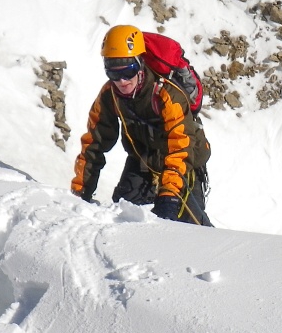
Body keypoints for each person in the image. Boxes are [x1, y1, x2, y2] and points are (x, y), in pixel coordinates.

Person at [72, 25, 212, 225]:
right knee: (123, 216)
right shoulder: (109, 95)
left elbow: (181, 146)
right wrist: (80, 191)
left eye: (128, 71)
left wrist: (170, 194)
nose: (121, 81)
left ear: (139, 63)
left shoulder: (167, 95)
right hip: (143, 160)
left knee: (190, 226)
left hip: (184, 164)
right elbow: (94, 143)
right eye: (113, 73)